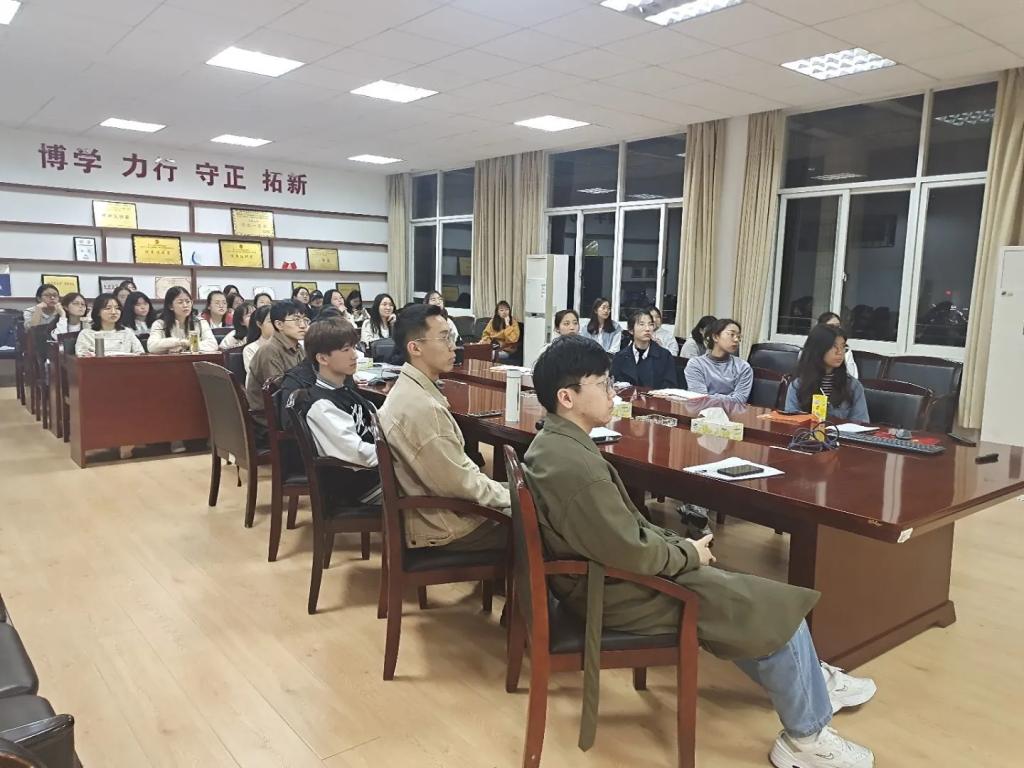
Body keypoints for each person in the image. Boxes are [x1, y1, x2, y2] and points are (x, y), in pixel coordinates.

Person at [525, 334, 877, 768]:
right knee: (772, 610)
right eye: (601, 383)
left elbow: (624, 535)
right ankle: (806, 738)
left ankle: (812, 682)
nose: (612, 391)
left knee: (744, 596)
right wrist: (688, 554)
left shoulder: (555, 444)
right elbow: (630, 551)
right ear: (567, 397)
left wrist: (681, 547)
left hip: (604, 579)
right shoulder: (575, 466)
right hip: (616, 591)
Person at [378, 304, 509, 550]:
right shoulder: (423, 408)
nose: (453, 346)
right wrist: (512, 496)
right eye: (444, 338)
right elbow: (459, 484)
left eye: (451, 337)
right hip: (448, 527)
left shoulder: (407, 388)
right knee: (541, 522)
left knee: (521, 494)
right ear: (415, 348)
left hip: (433, 513)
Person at [300, 319, 382, 504]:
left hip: (377, 473)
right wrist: (399, 453)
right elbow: (358, 454)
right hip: (362, 487)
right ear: (322, 359)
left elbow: (377, 419)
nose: (355, 355)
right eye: (346, 350)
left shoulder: (344, 390)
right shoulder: (322, 405)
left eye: (354, 347)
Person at [246, 300, 309, 433]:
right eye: (296, 320)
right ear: (279, 324)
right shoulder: (269, 350)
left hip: (291, 408)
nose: (303, 325)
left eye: (305, 320)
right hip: (271, 417)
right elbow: (280, 390)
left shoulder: (298, 347)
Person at [786, 325, 869, 422]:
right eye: (834, 347)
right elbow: (790, 423)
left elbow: (861, 423)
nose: (840, 352)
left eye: (843, 347)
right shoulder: (798, 385)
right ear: (818, 349)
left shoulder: (853, 386)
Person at [684, 318, 753, 402]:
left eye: (738, 336)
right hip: (701, 409)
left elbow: (739, 400)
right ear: (715, 337)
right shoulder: (696, 364)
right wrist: (728, 398)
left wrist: (710, 397)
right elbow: (699, 398)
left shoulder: (743, 367)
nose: (736, 340)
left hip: (731, 410)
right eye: (732, 334)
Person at [611, 309, 677, 388]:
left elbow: (670, 386)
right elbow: (614, 384)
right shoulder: (620, 357)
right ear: (631, 330)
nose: (647, 329)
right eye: (642, 324)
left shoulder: (665, 356)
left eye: (650, 324)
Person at [148, 286, 218, 354]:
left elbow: (213, 344)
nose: (185, 305)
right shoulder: (159, 324)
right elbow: (152, 346)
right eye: (180, 302)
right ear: (170, 306)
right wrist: (178, 342)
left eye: (188, 301)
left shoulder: (200, 322)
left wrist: (187, 345)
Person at [75, 293, 145, 357]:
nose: (114, 312)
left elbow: (140, 354)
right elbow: (82, 356)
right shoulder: (86, 334)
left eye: (117, 308)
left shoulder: (127, 332)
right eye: (108, 308)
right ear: (98, 312)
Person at [817, 312, 859, 379]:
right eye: (831, 326)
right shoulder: (811, 349)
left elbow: (853, 376)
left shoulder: (846, 351)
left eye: (837, 326)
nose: (835, 329)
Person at [243, 304, 274, 375]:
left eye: (278, 321)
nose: (275, 325)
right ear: (259, 324)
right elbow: (256, 375)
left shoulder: (288, 345)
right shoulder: (250, 349)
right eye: (270, 321)